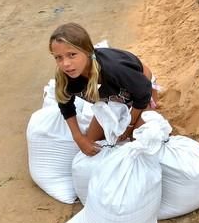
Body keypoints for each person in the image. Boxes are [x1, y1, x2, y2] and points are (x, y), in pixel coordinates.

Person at [49, 22, 157, 156]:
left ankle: (152, 113)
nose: (65, 64)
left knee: (138, 141)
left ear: (87, 51)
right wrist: (79, 138)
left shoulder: (114, 68)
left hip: (140, 93)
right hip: (111, 100)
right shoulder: (65, 76)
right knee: (91, 144)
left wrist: (128, 126)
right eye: (58, 57)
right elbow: (66, 104)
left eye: (72, 55)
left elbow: (143, 92)